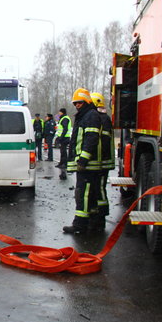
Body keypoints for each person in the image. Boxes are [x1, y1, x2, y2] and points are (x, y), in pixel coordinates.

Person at [63, 88, 103, 234]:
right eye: (75, 104)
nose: (77, 106)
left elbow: (91, 139)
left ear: (86, 101)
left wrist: (83, 160)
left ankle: (80, 225)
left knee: (83, 194)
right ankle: (92, 221)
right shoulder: (86, 115)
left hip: (87, 165)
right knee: (89, 194)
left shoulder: (90, 116)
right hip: (86, 164)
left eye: (79, 103)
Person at [89, 92, 115, 231]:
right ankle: (96, 215)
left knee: (99, 189)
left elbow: (101, 142)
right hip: (102, 161)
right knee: (97, 188)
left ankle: (101, 215)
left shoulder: (101, 119)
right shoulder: (103, 117)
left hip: (102, 162)